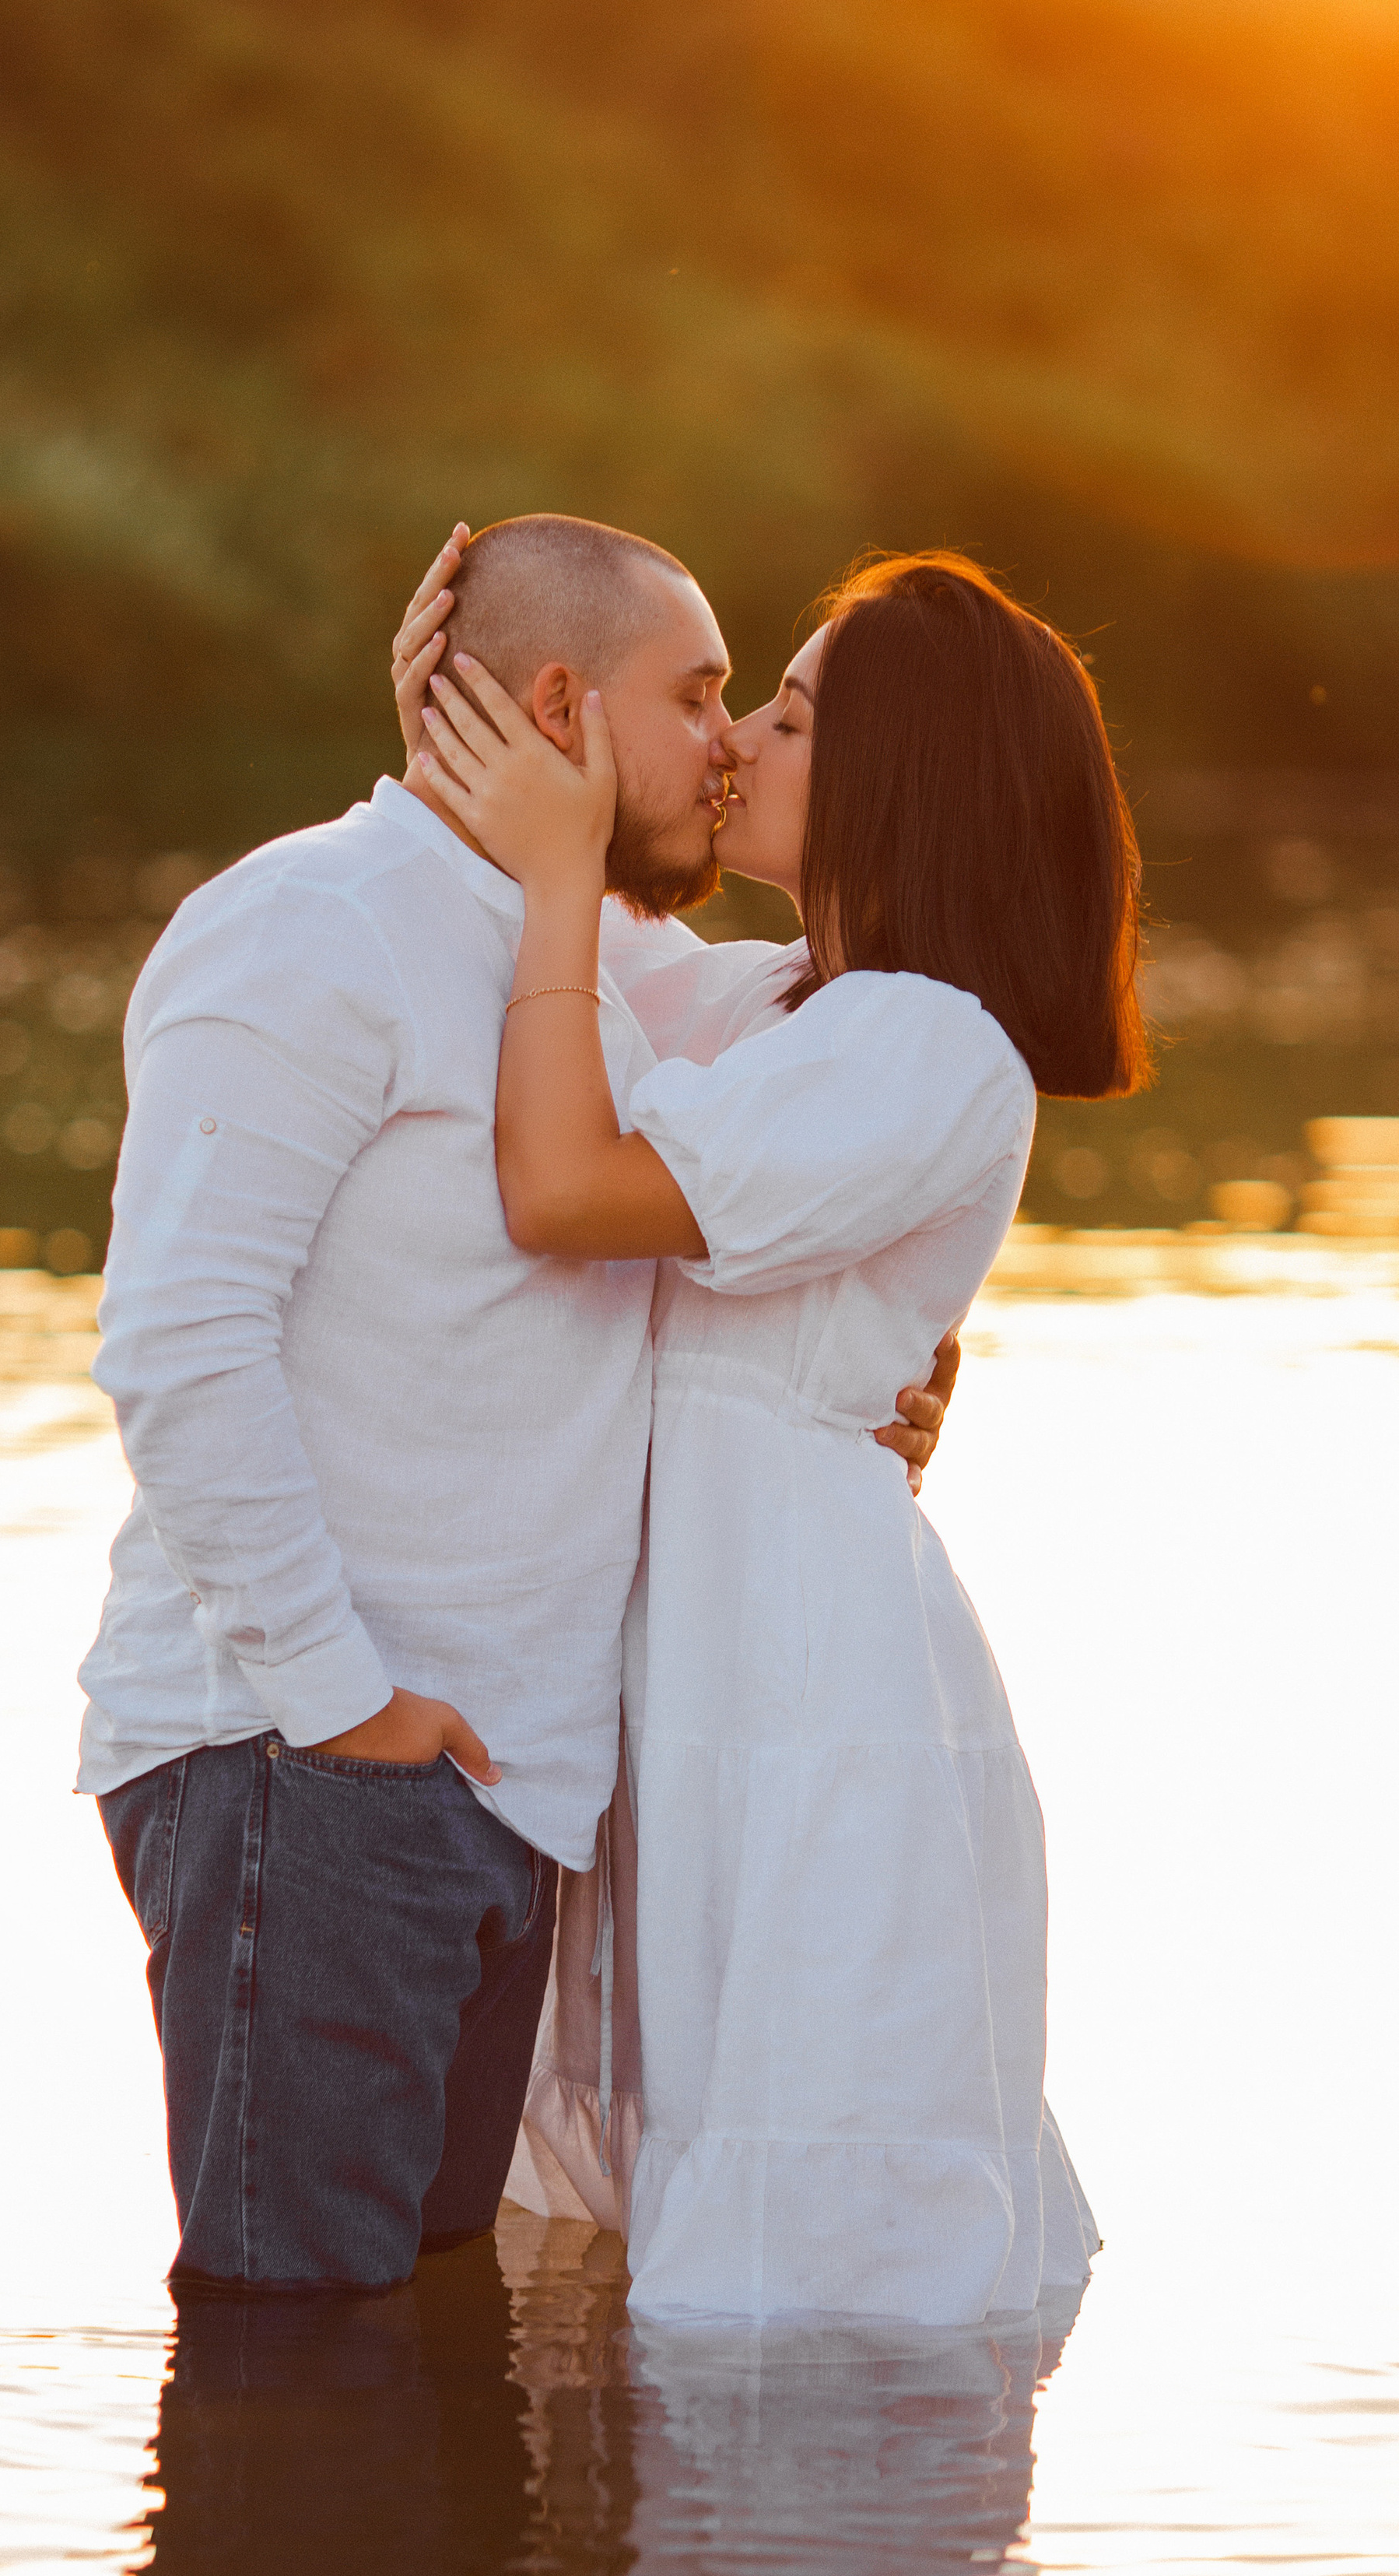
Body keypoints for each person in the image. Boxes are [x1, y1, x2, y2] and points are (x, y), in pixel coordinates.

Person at [78, 514, 956, 2299]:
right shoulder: (307, 928)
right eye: (699, 694)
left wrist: (869, 1373)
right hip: (306, 1759)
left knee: (420, 2344)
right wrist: (340, 1708)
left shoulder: (600, 981)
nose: (726, 741)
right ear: (557, 701)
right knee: (291, 2355)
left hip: (496, 1792)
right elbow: (179, 1341)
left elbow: (844, 1085)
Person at [401, 549, 1144, 2324]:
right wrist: (481, 720)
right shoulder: (778, 1006)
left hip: (805, 1682)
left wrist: (570, 859)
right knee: (672, 2187)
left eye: (789, 715)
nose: (736, 740)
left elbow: (569, 1181)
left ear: (897, 779)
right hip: (711, 1656)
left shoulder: (924, 1042)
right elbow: (541, 966)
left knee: (809, 2219)